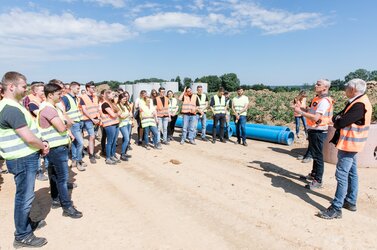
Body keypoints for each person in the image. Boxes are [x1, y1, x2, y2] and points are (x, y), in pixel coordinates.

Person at [0, 71, 49, 248]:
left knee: (23, 196)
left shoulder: (11, 106)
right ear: (11, 87)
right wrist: (42, 145)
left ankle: (25, 225)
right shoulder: (11, 109)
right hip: (22, 159)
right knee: (24, 198)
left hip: (22, 158)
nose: (26, 89)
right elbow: (28, 138)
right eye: (23, 85)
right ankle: (22, 235)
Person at [318, 79, 372, 219]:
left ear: (353, 89)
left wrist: (338, 120)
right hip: (352, 144)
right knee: (352, 173)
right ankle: (350, 201)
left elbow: (341, 121)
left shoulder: (359, 104)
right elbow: (338, 116)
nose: (345, 90)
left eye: (346, 87)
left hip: (349, 144)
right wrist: (338, 119)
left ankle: (336, 208)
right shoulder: (356, 101)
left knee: (341, 175)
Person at [37, 83, 83, 219]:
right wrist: (67, 123)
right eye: (58, 94)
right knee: (62, 178)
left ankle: (56, 200)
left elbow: (66, 122)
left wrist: (66, 121)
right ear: (50, 95)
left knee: (54, 175)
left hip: (54, 147)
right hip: (57, 148)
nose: (61, 96)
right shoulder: (49, 109)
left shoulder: (52, 107)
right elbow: (63, 127)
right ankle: (67, 207)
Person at [294, 79, 334, 190]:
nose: (315, 85)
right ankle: (313, 175)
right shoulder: (317, 98)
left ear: (325, 88)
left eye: (318, 84)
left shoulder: (325, 101)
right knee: (315, 154)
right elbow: (312, 111)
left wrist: (300, 112)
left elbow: (316, 117)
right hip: (313, 129)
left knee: (318, 156)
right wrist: (302, 108)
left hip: (319, 130)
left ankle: (318, 180)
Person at [23, 81, 49, 181]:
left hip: (42, 129)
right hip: (35, 130)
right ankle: (38, 172)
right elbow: (41, 115)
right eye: (42, 91)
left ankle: (47, 169)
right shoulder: (32, 103)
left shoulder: (43, 101)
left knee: (46, 150)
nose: (44, 92)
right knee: (38, 151)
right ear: (35, 92)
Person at [61, 82, 86, 171]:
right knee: (81, 143)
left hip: (78, 123)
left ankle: (74, 161)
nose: (79, 90)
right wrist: (69, 122)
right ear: (72, 88)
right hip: (73, 124)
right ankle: (79, 161)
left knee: (75, 143)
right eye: (78, 89)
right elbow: (63, 112)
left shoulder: (76, 98)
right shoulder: (65, 98)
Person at [79, 81, 100, 164]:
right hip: (87, 119)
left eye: (94, 87)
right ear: (87, 88)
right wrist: (92, 119)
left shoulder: (95, 97)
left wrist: (98, 117)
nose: (94, 89)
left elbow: (97, 108)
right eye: (92, 87)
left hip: (96, 119)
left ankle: (92, 152)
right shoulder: (82, 97)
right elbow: (84, 110)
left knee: (93, 137)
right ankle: (91, 155)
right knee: (92, 136)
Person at [100, 90, 120, 165]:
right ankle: (108, 158)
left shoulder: (111, 103)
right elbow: (114, 114)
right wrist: (117, 113)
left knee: (114, 142)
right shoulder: (105, 104)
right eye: (112, 94)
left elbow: (119, 111)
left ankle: (112, 155)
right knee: (110, 142)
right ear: (107, 95)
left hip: (115, 123)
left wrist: (117, 113)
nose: (114, 96)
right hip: (109, 125)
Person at [118, 92, 132, 161]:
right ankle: (122, 154)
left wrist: (130, 116)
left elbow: (130, 112)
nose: (125, 100)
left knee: (127, 138)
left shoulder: (126, 105)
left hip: (128, 123)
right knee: (126, 139)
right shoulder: (118, 106)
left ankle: (125, 152)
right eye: (123, 99)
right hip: (122, 124)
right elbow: (121, 116)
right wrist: (128, 114)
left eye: (126, 99)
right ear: (120, 99)